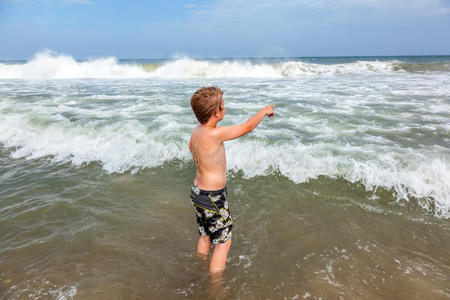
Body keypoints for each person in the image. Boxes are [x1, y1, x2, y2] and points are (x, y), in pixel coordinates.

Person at [189, 86, 274, 273]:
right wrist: (264, 111)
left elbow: (196, 151)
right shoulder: (215, 134)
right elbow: (247, 127)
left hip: (197, 193)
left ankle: (199, 266)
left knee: (205, 236)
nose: (225, 107)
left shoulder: (197, 132)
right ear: (216, 112)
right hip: (213, 197)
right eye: (223, 105)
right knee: (223, 242)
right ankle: (215, 286)